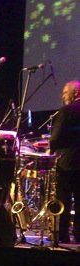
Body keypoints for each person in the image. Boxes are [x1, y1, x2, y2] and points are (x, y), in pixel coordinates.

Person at [50, 80, 80, 243]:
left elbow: (55, 138)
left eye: (65, 92)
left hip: (68, 163)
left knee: (64, 200)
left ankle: (62, 235)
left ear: (75, 93)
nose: (63, 96)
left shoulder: (66, 111)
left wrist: (51, 149)